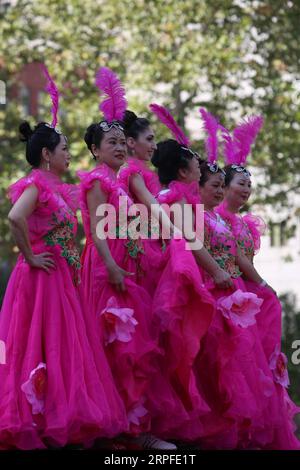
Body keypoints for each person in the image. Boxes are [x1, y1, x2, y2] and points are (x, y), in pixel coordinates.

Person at [0, 66, 127, 449]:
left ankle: (58, 416)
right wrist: (32, 257)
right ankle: (35, 419)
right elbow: (15, 217)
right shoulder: (36, 184)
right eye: (65, 149)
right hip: (41, 276)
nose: (69, 155)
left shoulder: (61, 187)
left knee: (62, 346)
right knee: (38, 344)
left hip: (62, 277)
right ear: (45, 154)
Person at [78, 67, 178, 450]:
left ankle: (134, 426)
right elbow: (98, 230)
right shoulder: (97, 181)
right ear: (95, 150)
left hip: (130, 262)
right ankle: (117, 428)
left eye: (123, 142)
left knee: (135, 344)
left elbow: (145, 214)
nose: (120, 148)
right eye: (111, 143)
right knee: (114, 343)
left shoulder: (124, 179)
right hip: (108, 265)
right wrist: (113, 267)